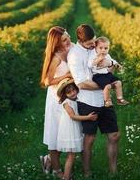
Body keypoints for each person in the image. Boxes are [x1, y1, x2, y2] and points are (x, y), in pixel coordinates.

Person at [67, 24, 120, 177]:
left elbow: (110, 70)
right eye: (90, 43)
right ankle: (87, 172)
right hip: (87, 101)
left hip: (104, 100)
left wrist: (110, 64)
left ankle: (113, 172)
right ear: (80, 40)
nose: (93, 45)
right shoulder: (75, 55)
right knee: (89, 139)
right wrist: (107, 85)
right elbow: (82, 83)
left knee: (114, 135)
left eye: (94, 41)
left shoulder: (97, 48)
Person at [40, 26, 72, 178]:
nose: (68, 41)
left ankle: (48, 160)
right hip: (56, 100)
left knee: (65, 132)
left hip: (68, 98)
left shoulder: (70, 50)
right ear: (56, 43)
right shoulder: (56, 58)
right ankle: (57, 170)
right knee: (55, 135)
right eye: (64, 40)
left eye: (68, 37)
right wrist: (66, 75)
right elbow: (47, 81)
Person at [56, 78, 97, 180]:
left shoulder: (76, 99)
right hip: (70, 130)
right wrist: (88, 117)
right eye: (69, 92)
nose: (73, 93)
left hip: (75, 128)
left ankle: (70, 175)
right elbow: (73, 116)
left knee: (73, 154)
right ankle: (66, 177)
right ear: (65, 94)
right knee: (71, 155)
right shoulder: (66, 102)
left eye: (74, 90)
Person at [88, 36, 129, 107]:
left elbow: (112, 61)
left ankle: (120, 99)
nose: (103, 50)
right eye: (100, 48)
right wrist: (98, 59)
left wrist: (117, 64)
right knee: (107, 86)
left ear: (108, 48)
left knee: (118, 83)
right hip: (98, 76)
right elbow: (89, 65)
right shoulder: (94, 55)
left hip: (107, 74)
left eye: (106, 48)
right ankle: (107, 101)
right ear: (96, 48)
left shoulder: (107, 55)